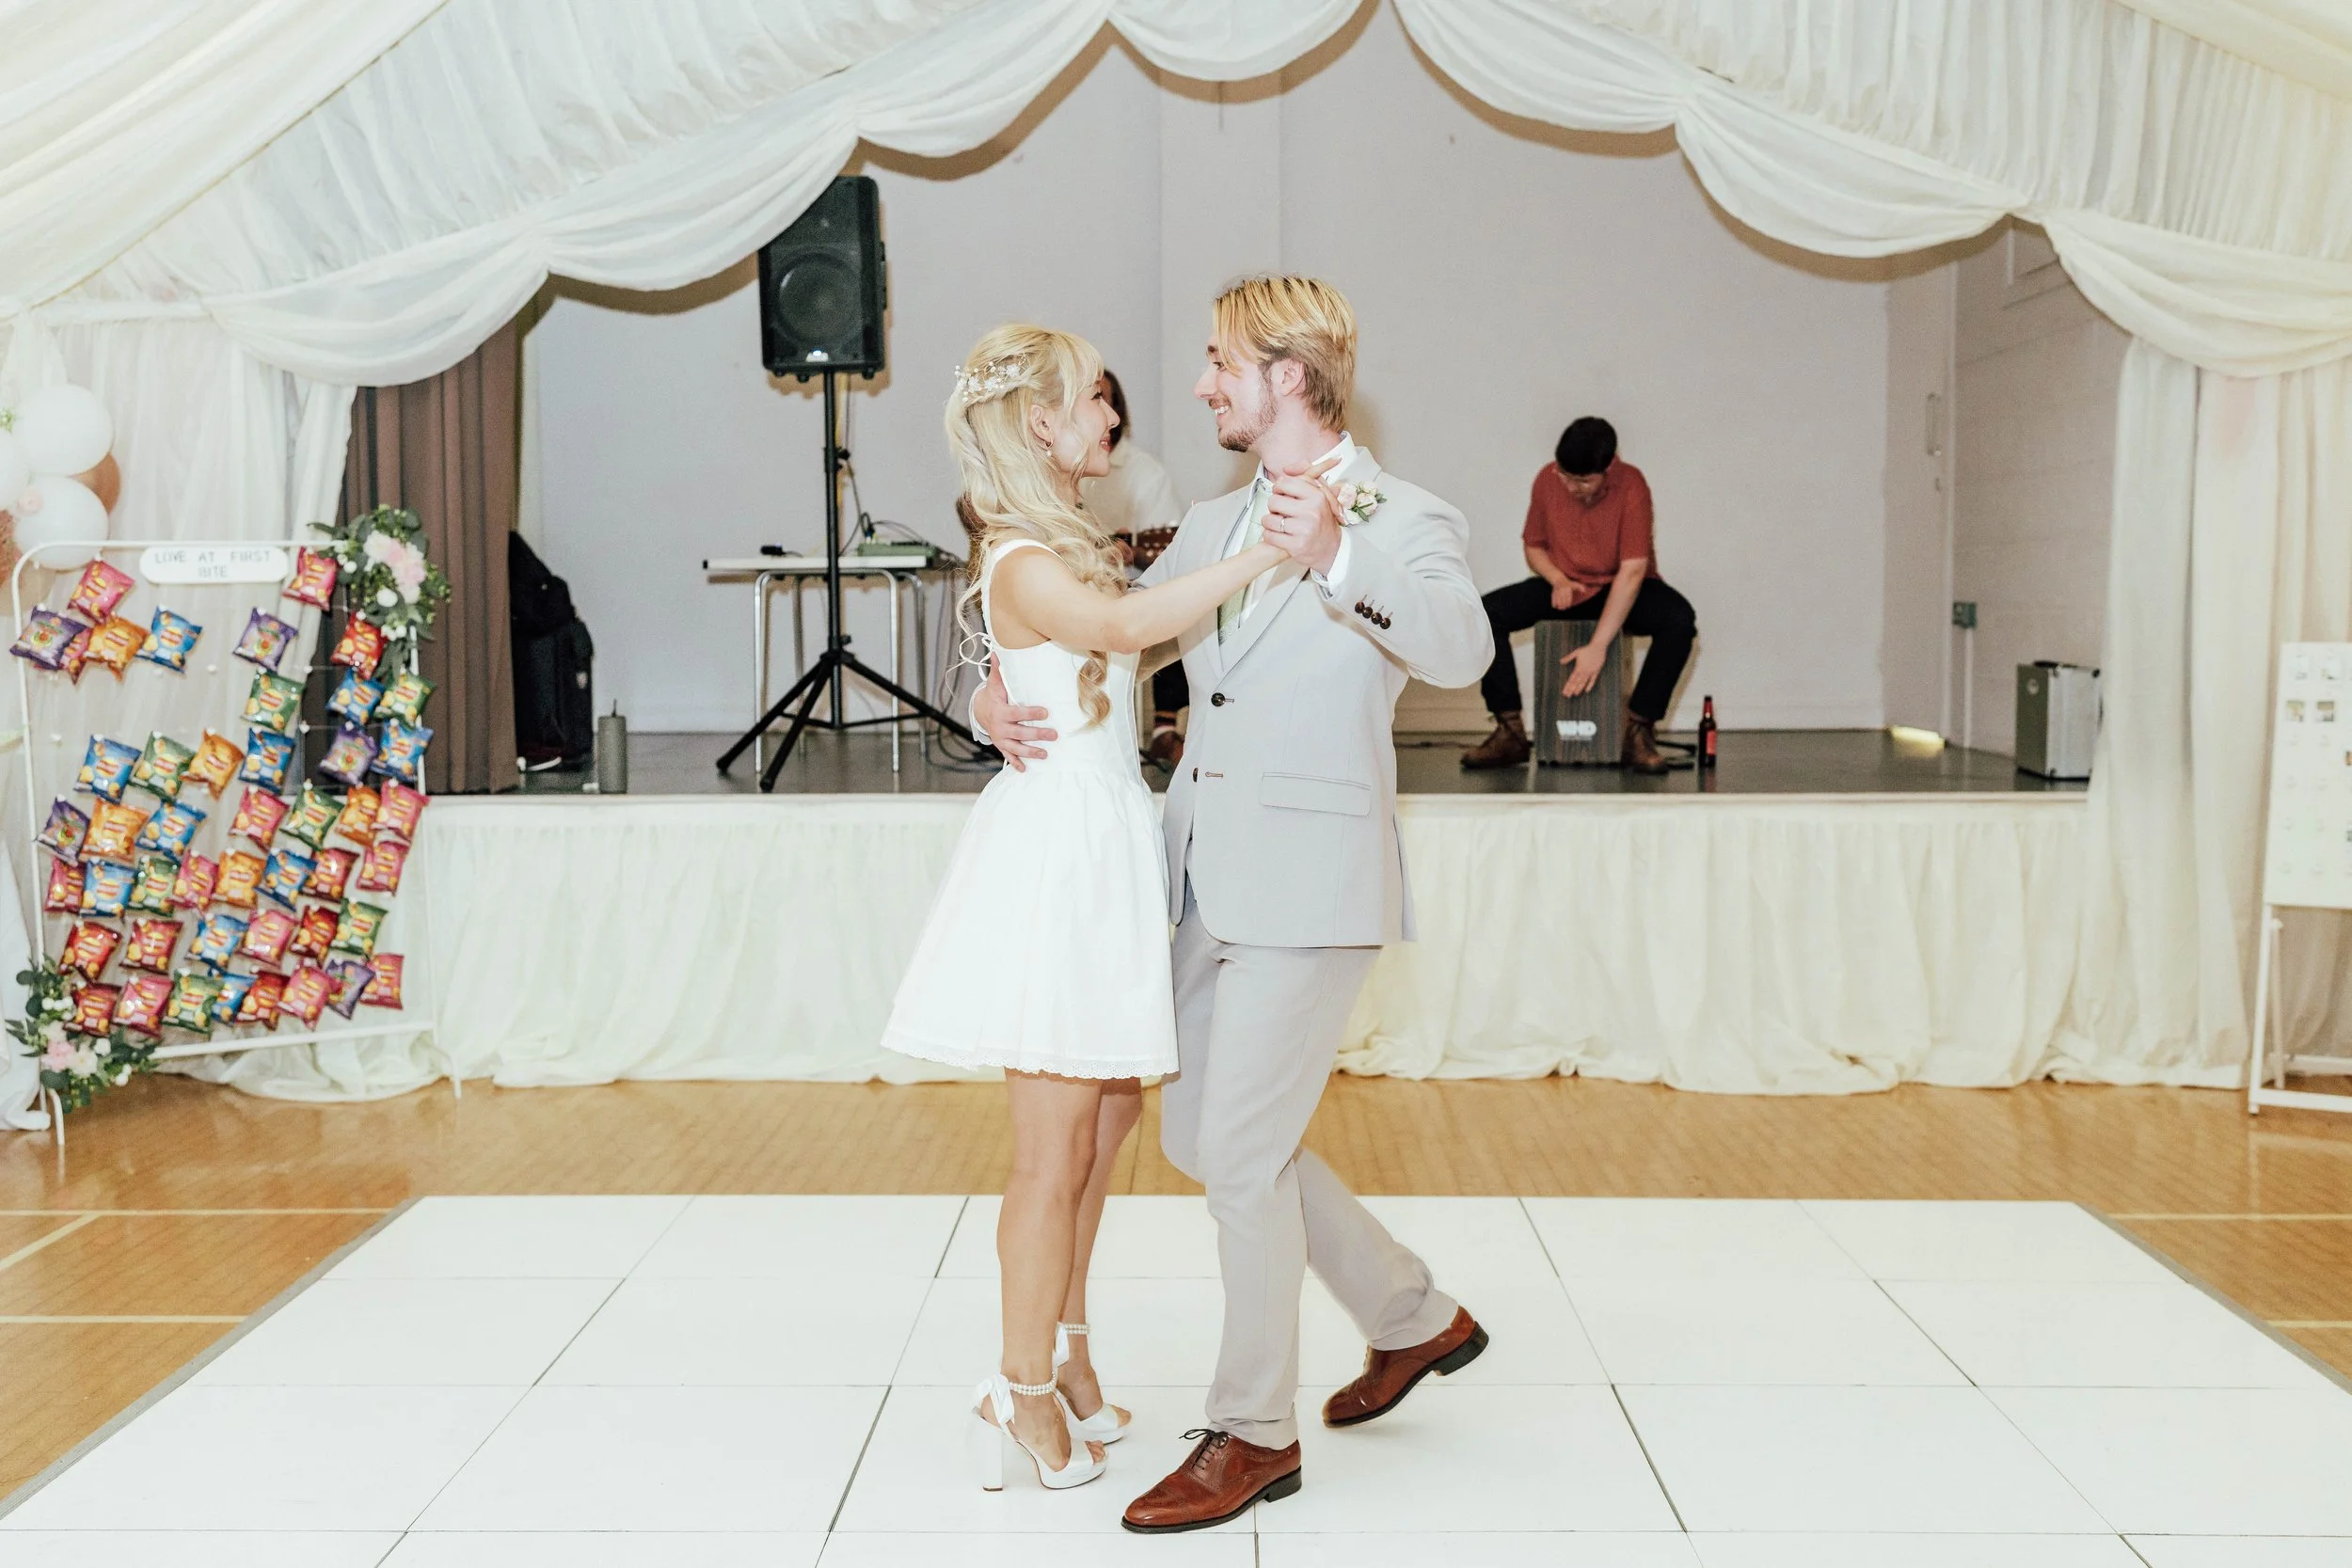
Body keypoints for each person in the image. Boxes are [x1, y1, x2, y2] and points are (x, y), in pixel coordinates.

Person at [977, 277, 1494, 1533]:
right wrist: (986, 696)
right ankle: (1413, 1313)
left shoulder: (1405, 517)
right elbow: (1081, 618)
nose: (1201, 383)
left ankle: (1252, 1427)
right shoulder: (1211, 521)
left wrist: (1340, 555)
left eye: (1221, 362)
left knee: (1241, 1155)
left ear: (1291, 373)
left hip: (1315, 886)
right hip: (1200, 874)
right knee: (1206, 1136)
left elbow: (1463, 651)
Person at [882, 323, 1290, 1494]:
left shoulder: (1058, 539)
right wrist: (1268, 550)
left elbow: (1065, 664)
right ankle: (1012, 1387)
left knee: (1102, 1132)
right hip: (1058, 857)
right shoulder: (1018, 551)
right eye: (1093, 401)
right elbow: (1113, 632)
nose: (1114, 419)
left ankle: (1064, 1351)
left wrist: (986, 689)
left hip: (1104, 838)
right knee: (1050, 1153)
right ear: (1038, 424)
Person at [1460, 416, 1697, 774]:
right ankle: (1508, 731)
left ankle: (1638, 731)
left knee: (1679, 621)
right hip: (1568, 585)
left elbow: (1633, 570)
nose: (1572, 487)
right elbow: (1533, 546)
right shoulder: (1547, 478)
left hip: (1620, 587)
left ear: (1609, 467)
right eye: (1565, 477)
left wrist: (1597, 648)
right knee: (1487, 613)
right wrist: (1557, 579)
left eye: (1583, 480)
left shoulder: (1632, 484)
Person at [1079, 368, 1192, 768]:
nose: (1106, 414)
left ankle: (1164, 727)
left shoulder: (1145, 471)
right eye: (1093, 400)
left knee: (1173, 604)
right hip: (1074, 593)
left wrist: (1131, 553)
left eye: (1106, 400)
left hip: (1128, 588)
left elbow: (1170, 548)